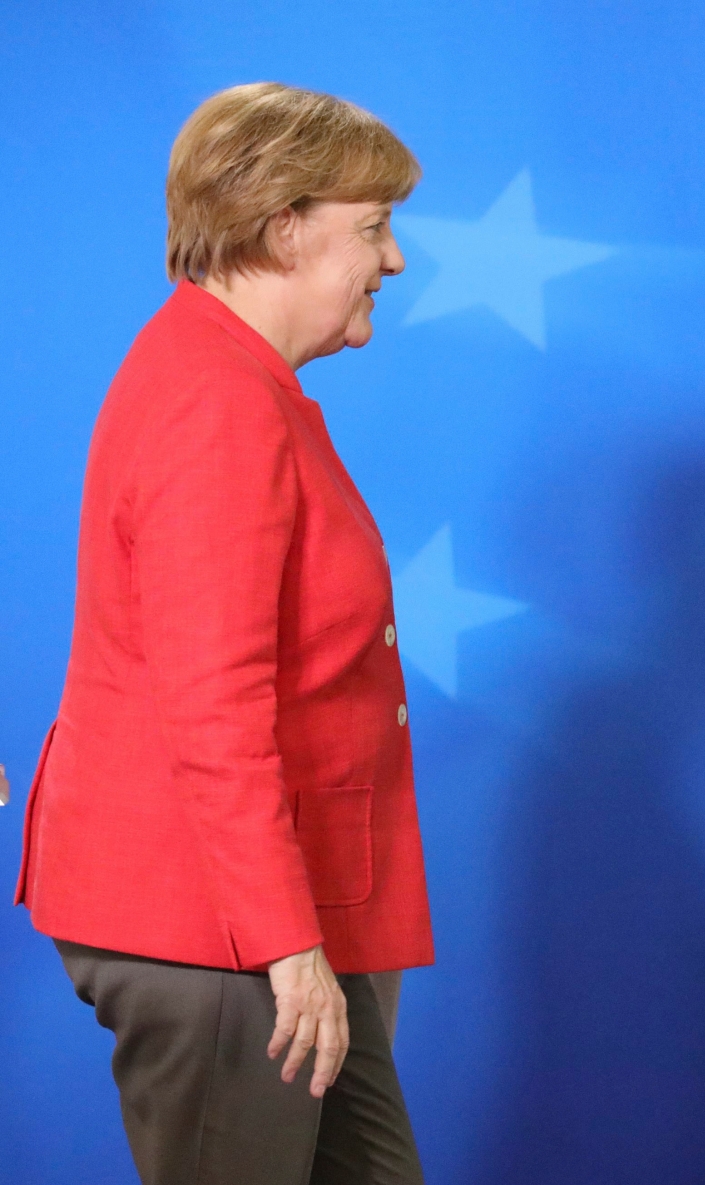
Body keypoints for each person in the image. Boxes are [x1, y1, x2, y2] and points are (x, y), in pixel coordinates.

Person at [12, 83, 432, 1184]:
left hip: (246, 915)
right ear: (281, 227)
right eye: (373, 228)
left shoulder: (234, 378)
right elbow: (210, 700)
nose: (392, 261)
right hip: (209, 927)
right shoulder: (216, 399)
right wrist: (287, 947)